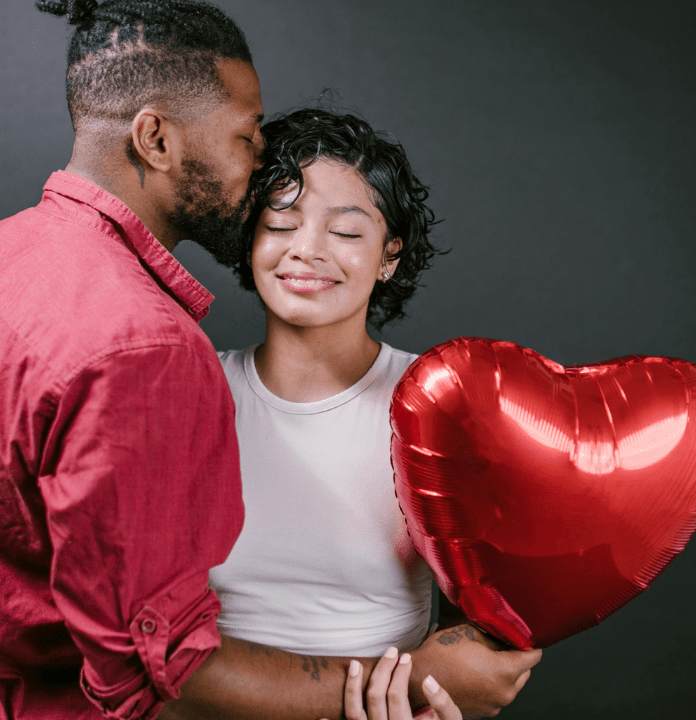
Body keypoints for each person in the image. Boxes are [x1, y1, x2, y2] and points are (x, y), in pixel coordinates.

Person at [0, 2, 535, 718]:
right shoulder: (150, 347)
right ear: (155, 139)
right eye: (246, 138)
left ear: (389, 255)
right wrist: (405, 681)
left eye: (345, 230)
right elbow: (157, 670)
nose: (254, 169)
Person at [208, 108, 542, 720]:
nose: (306, 250)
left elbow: (496, 634)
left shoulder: (439, 405)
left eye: (347, 232)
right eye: (280, 221)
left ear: (390, 255)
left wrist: (440, 693)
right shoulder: (188, 389)